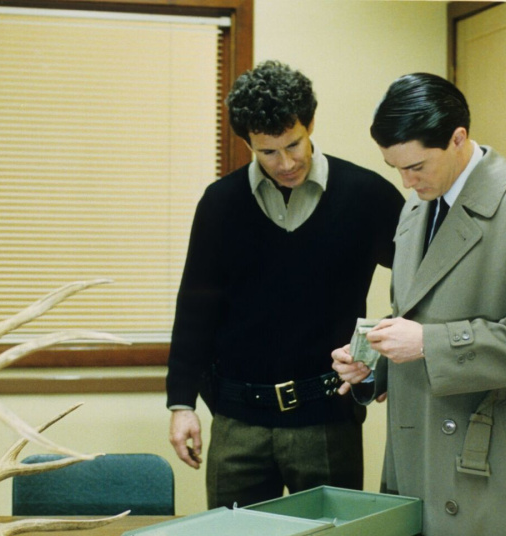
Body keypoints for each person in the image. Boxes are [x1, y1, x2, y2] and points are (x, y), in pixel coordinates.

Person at [332, 73, 506, 536]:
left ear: (457, 138)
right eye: (396, 168)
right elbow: (419, 312)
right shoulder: (416, 208)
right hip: (413, 451)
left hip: (487, 457)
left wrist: (429, 343)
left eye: (416, 166)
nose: (407, 181)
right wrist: (374, 363)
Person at [166, 60, 404, 509]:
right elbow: (195, 308)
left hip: (328, 420)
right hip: (237, 426)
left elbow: (425, 283)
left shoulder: (368, 195)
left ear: (310, 124)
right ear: (248, 143)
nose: (287, 162)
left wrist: (382, 353)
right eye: (269, 152)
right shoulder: (219, 204)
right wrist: (181, 404)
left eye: (294, 144)